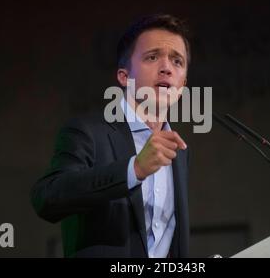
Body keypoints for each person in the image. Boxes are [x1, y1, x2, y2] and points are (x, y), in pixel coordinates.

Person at [31, 14, 191, 258]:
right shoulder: (87, 132)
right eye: (152, 57)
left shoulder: (179, 151)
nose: (167, 68)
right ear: (124, 77)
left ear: (182, 86)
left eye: (177, 61)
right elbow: (47, 198)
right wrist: (133, 169)